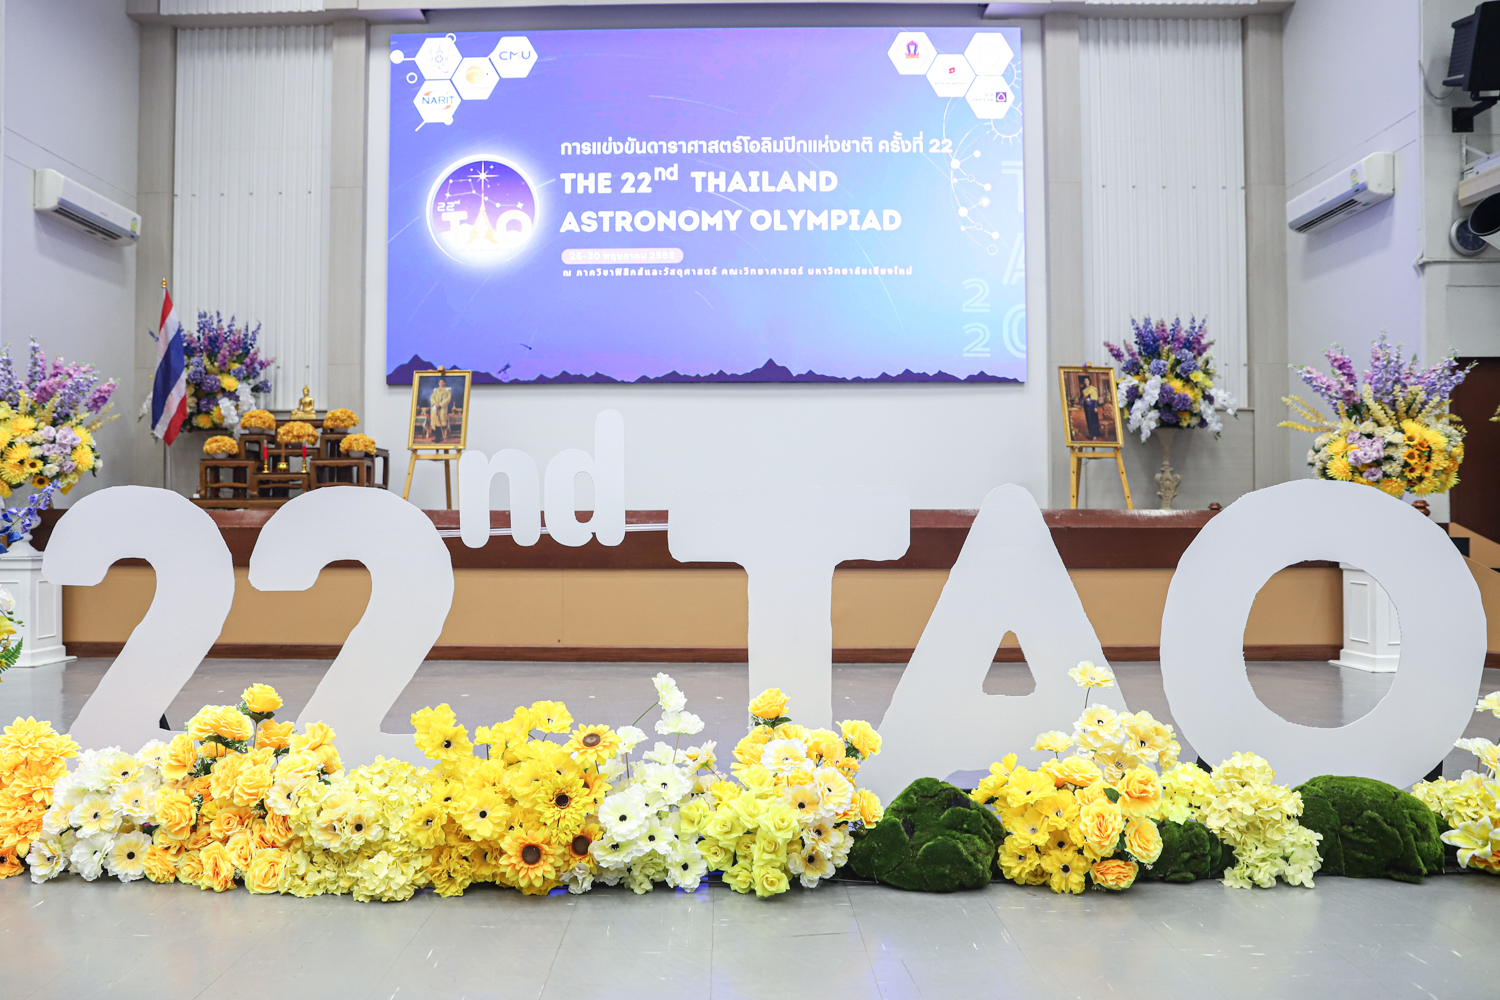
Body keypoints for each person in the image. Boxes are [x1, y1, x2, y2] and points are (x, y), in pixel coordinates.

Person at [427, 378, 452, 443]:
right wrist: (435, 403)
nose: (441, 384)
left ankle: (439, 438)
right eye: (440, 382)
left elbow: (448, 399)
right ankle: (436, 437)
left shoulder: (447, 390)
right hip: (435, 408)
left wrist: (440, 404)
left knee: (440, 423)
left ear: (444, 383)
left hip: (442, 408)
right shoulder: (436, 390)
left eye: (442, 382)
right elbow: (432, 397)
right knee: (435, 423)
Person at [1079, 374, 1103, 440]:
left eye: (1087, 381)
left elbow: (1095, 399)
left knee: (1094, 420)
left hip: (1093, 406)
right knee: (1089, 420)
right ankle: (1092, 435)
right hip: (1086, 406)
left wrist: (1095, 407)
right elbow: (1081, 397)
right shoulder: (1083, 389)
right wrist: (1079, 404)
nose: (1086, 382)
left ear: (1089, 381)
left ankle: (1096, 434)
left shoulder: (1093, 389)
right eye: (1085, 381)